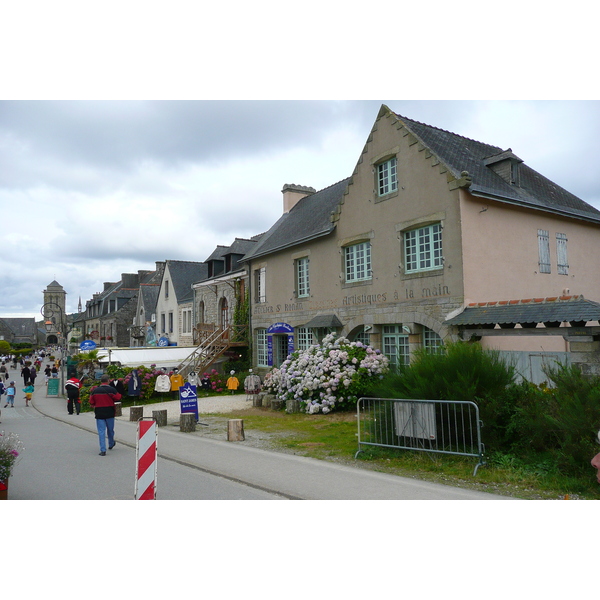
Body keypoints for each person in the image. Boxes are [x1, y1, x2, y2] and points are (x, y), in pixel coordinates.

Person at [89, 374, 121, 456]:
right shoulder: (112, 390)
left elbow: (91, 402)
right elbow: (118, 397)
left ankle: (103, 450)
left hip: (99, 412)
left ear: (101, 381)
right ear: (108, 381)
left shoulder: (95, 391)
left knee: (101, 431)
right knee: (110, 430)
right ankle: (111, 443)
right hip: (109, 411)